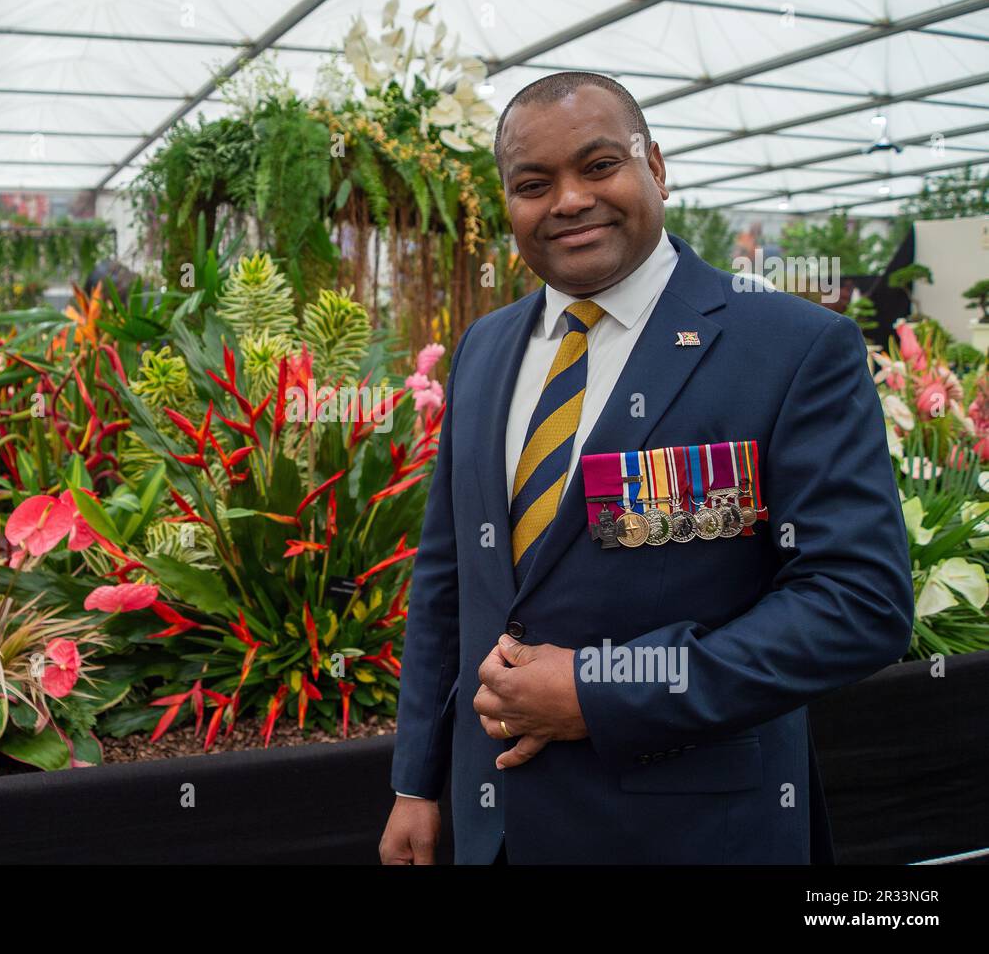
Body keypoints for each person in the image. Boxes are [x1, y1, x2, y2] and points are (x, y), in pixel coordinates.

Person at [380, 72, 914, 865]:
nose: (567, 200)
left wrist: (605, 688)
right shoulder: (484, 350)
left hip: (690, 832)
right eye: (533, 184)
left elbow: (858, 602)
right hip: (493, 828)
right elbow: (449, 577)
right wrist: (415, 783)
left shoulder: (790, 347)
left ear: (656, 167)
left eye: (598, 167)